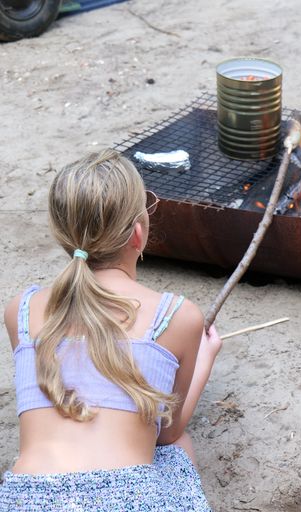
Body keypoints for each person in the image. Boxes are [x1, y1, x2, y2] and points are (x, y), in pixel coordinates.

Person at [0, 150, 220, 510]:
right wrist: (205, 361)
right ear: (138, 233)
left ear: (63, 234)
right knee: (178, 449)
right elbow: (167, 432)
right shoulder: (175, 315)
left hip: (28, 499)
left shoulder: (20, 311)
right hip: (129, 498)